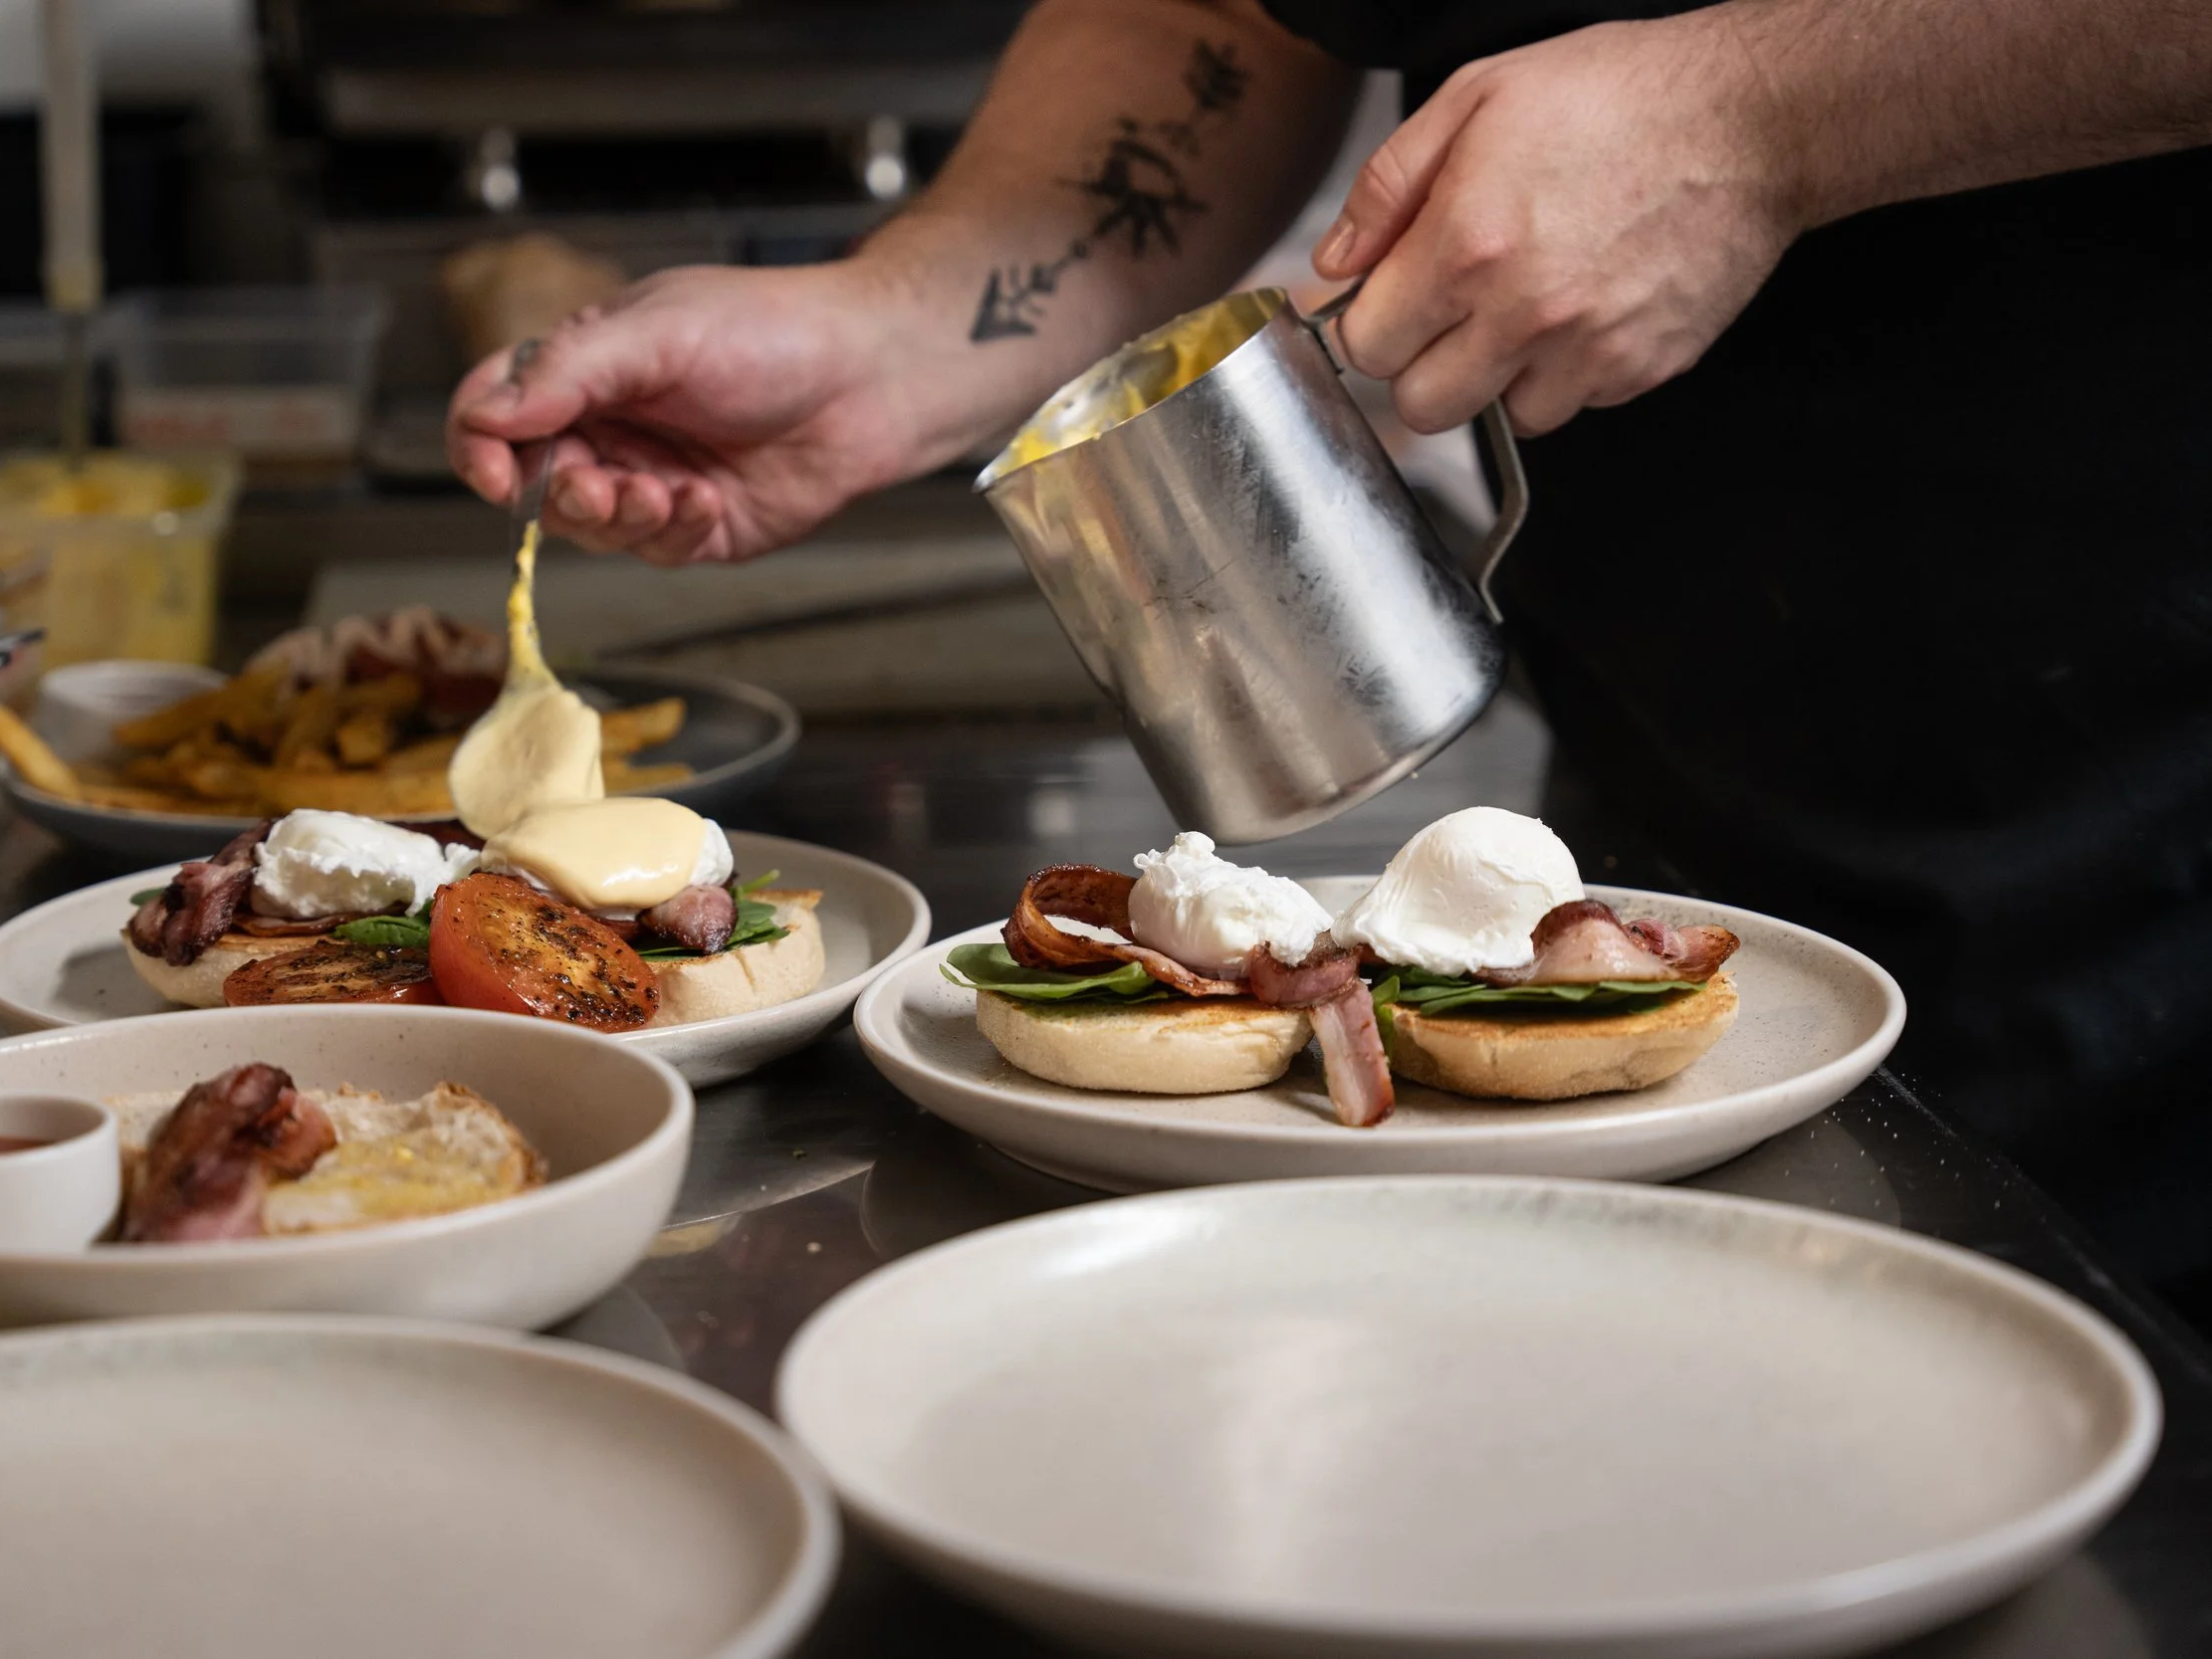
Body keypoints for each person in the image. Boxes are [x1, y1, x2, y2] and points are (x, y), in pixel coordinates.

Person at [448, 0, 2212, 1321]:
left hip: (2147, 756)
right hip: (1666, 775)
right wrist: (895, 330)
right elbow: (1220, 22)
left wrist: (1761, 111)